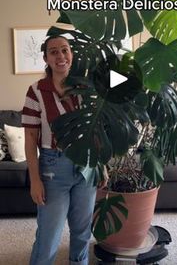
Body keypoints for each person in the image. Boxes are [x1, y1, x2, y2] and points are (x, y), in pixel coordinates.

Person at [22, 35, 107, 265]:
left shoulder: (86, 86)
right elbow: (30, 138)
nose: (60, 56)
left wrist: (100, 164)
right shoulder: (36, 91)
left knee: (81, 233)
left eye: (65, 50)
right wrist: (35, 179)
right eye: (54, 52)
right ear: (46, 58)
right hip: (52, 168)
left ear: (71, 54)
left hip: (86, 165)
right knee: (49, 236)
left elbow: (95, 126)